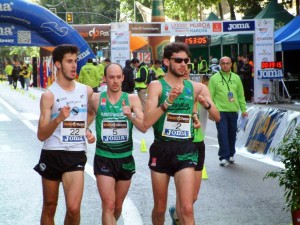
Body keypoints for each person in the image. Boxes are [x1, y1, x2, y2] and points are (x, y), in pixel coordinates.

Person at [144, 42, 211, 225]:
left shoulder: (193, 87)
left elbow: (213, 114)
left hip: (186, 148)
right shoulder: (157, 86)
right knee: (160, 207)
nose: (183, 64)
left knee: (187, 208)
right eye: (178, 60)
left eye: (186, 60)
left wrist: (199, 112)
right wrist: (167, 102)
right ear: (166, 61)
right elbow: (147, 121)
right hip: (162, 148)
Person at [33, 45, 95, 225]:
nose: (74, 65)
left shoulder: (86, 91)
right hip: (52, 153)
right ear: (58, 64)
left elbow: (91, 113)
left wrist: (87, 130)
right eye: (69, 61)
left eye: (75, 61)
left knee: (74, 208)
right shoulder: (49, 95)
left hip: (75, 153)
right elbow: (41, 134)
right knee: (50, 206)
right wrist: (58, 118)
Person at [87, 63, 147, 225]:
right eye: (111, 77)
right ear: (104, 79)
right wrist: (86, 130)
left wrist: (130, 116)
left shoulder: (132, 99)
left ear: (123, 78)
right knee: (109, 204)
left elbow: (143, 127)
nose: (115, 81)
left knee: (118, 206)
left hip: (125, 159)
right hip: (104, 158)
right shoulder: (96, 98)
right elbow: (86, 118)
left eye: (118, 77)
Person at [169, 65, 220, 225]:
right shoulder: (170, 91)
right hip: (178, 145)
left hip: (197, 145)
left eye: (186, 69)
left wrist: (206, 104)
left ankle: (176, 216)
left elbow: (216, 117)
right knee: (185, 202)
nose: (183, 72)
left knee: (192, 197)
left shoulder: (201, 89)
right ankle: (179, 218)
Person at [208, 56, 248, 166]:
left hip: (233, 111)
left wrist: (244, 110)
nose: (225, 65)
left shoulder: (236, 78)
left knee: (232, 134)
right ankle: (224, 156)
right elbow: (210, 96)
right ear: (220, 65)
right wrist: (210, 112)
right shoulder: (214, 78)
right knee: (222, 134)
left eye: (227, 63)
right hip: (220, 111)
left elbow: (241, 96)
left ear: (231, 64)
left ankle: (231, 154)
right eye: (223, 63)